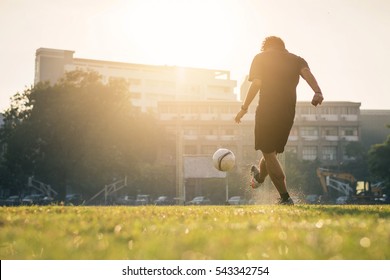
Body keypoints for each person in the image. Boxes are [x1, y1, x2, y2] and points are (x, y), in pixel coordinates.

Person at [235, 36, 323, 205]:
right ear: (283, 47)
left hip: (267, 111)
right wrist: (317, 92)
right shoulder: (297, 60)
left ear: (265, 47)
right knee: (271, 153)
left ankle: (285, 198)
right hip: (288, 113)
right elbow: (307, 74)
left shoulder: (260, 57)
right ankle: (260, 177)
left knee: (268, 153)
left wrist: (244, 108)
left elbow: (256, 83)